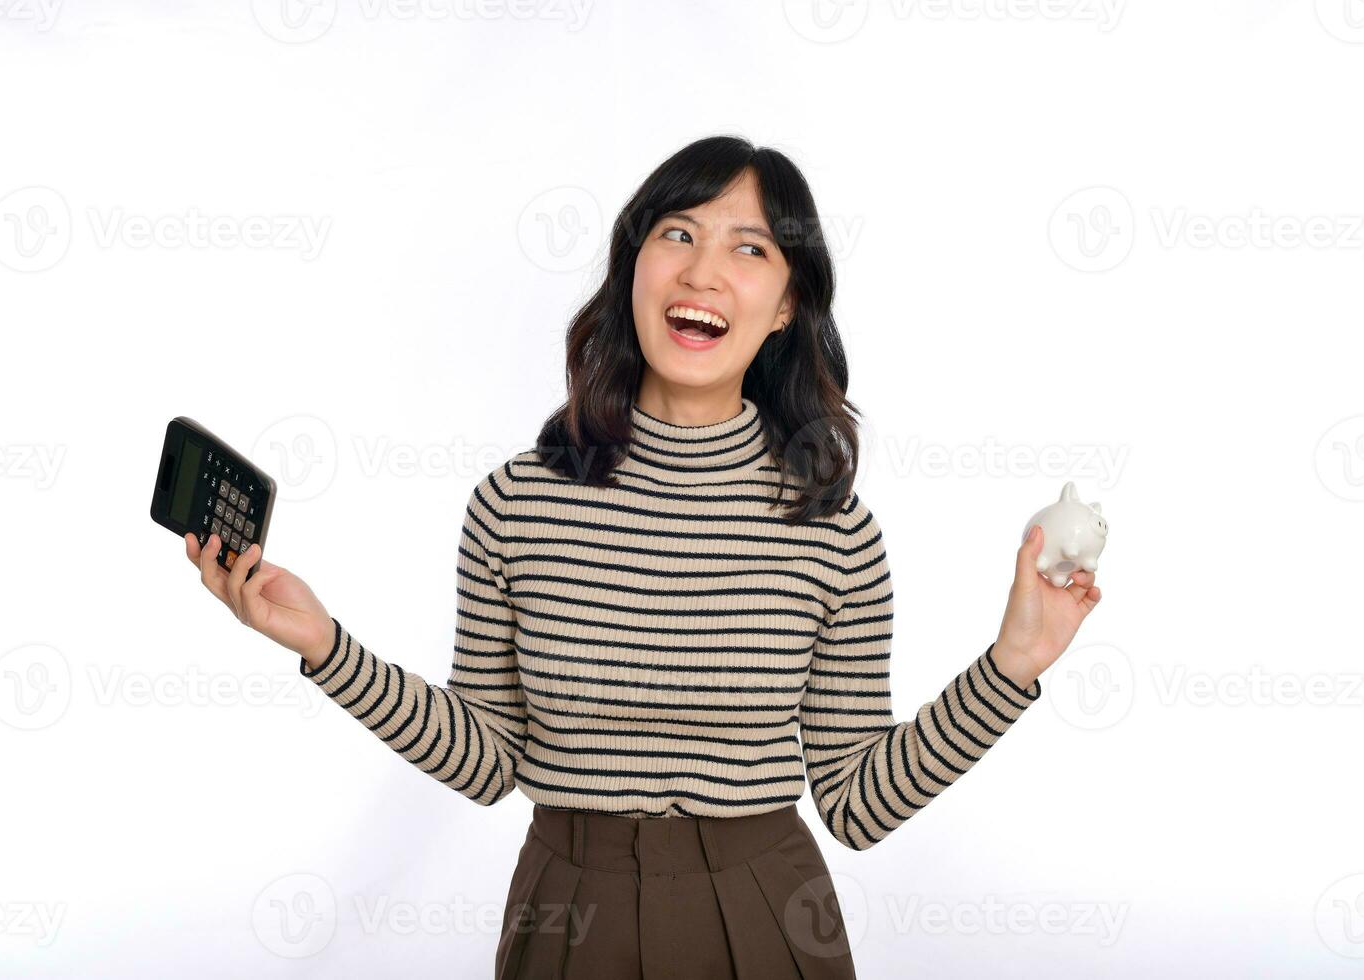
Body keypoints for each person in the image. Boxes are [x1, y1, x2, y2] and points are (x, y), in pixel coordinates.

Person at [183, 135, 1102, 980]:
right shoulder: (518, 503)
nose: (704, 271)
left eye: (750, 249)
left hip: (767, 913)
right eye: (678, 234)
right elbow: (488, 758)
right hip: (564, 912)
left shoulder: (834, 531)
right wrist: (323, 647)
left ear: (787, 306)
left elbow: (860, 803)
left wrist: (1013, 665)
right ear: (634, 268)